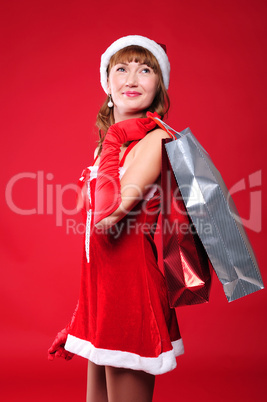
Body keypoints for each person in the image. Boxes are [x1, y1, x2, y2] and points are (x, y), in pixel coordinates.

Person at [48, 35, 184, 402]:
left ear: (158, 86)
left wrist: (112, 139)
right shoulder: (112, 144)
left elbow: (108, 215)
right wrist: (83, 315)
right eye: (121, 69)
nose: (132, 79)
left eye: (145, 69)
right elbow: (93, 241)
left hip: (132, 294)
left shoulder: (154, 141)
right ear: (108, 83)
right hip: (103, 298)